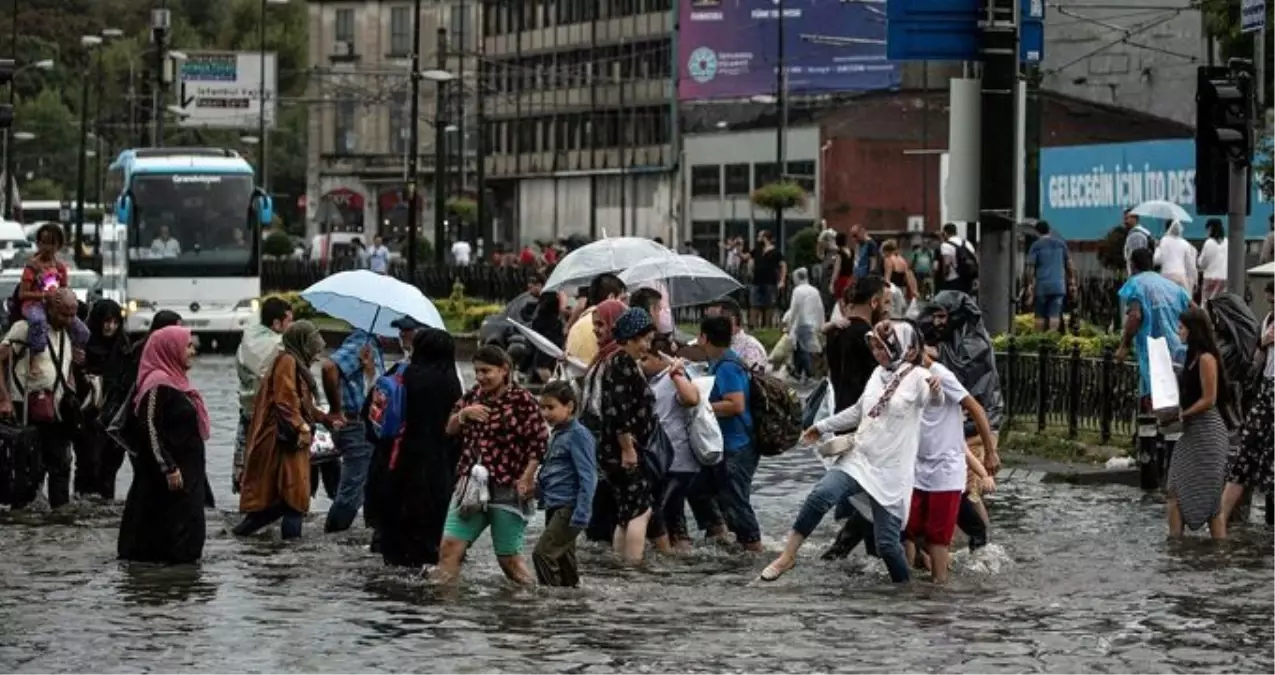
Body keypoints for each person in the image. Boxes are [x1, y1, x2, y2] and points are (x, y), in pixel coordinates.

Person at [761, 320, 942, 583]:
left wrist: (936, 390)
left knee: (888, 545)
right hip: (861, 456)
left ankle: (906, 595)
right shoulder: (877, 375)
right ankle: (787, 556)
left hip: (891, 470)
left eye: (884, 347)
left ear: (908, 350)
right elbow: (860, 411)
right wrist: (821, 426)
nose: (878, 353)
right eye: (875, 347)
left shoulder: (918, 378)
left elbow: (933, 401)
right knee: (821, 495)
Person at [437, 346, 547, 584]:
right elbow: (449, 428)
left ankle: (534, 603)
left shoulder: (523, 401)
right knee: (449, 548)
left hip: (508, 487)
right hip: (471, 485)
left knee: (508, 560)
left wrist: (528, 478)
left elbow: (539, 443)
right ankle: (445, 614)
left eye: (486, 371)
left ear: (504, 370)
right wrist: (464, 415)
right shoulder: (472, 396)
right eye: (477, 371)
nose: (480, 377)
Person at [364, 328, 463, 568]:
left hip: (395, 459)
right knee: (429, 530)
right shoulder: (451, 383)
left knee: (395, 530)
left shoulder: (402, 374)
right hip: (435, 464)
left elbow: (370, 412)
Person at [117, 326, 209, 564]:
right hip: (168, 479)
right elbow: (149, 428)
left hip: (185, 477)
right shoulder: (157, 384)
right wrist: (167, 465)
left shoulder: (177, 382)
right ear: (169, 349)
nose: (192, 352)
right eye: (187, 346)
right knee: (167, 540)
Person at [905, 346, 998, 583]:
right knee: (908, 527)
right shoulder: (905, 375)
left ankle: (941, 584)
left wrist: (990, 454)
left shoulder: (942, 376)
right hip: (918, 469)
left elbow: (975, 411)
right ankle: (917, 574)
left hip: (946, 473)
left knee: (944, 532)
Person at [235, 321, 327, 539]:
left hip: (286, 440)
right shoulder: (287, 362)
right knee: (294, 500)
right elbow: (285, 402)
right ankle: (290, 557)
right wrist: (302, 427)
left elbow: (301, 402)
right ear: (302, 344)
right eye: (312, 348)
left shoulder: (296, 364)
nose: (316, 355)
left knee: (279, 501)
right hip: (285, 441)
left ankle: (242, 538)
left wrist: (324, 418)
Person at [581, 308, 658, 563]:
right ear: (631, 337)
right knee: (640, 511)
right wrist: (628, 448)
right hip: (624, 448)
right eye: (644, 340)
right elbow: (618, 410)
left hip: (613, 448)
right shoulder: (622, 363)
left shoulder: (613, 360)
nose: (647, 346)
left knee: (626, 513)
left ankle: (621, 561)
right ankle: (633, 565)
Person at [0, 289, 84, 510]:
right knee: (28, 471)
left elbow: (64, 368)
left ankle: (60, 518)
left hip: (56, 412)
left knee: (61, 466)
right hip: (26, 410)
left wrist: (71, 383)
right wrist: (4, 399)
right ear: (50, 309)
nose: (68, 320)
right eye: (63, 315)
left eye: (72, 315)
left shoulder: (67, 333)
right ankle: (23, 519)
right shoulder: (25, 329)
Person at [1116, 248, 1192, 490]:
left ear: (1132, 265)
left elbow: (1135, 315)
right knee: (1172, 410)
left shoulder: (1136, 284)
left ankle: (1154, 468)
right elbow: (1194, 310)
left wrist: (1124, 345)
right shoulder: (1172, 287)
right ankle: (1172, 466)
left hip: (1153, 353)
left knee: (1151, 408)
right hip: (1178, 353)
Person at [639, 336, 713, 552]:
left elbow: (692, 399)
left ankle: (673, 555)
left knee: (660, 510)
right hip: (665, 460)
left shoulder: (674, 375)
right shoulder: (654, 379)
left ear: (661, 358)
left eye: (645, 359)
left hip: (677, 459)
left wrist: (676, 373)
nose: (641, 364)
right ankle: (679, 552)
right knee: (673, 514)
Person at [1164, 307, 1230, 539]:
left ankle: (1218, 552)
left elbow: (1209, 399)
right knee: (1174, 488)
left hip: (1208, 433)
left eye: (1181, 327)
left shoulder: (1206, 359)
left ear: (1193, 330)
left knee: (1212, 501)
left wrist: (1184, 414)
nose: (1178, 331)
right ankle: (1176, 543)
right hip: (1193, 431)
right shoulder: (1191, 358)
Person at [702, 314, 764, 552]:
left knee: (736, 500)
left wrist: (703, 407)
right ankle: (726, 536)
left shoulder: (727, 366)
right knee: (708, 492)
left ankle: (753, 548)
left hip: (738, 445)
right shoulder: (723, 361)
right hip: (729, 444)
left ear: (704, 337)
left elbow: (735, 404)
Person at [1220, 280, 1275, 525]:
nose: (1271, 305)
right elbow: (1257, 360)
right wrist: (1263, 342)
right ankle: (1220, 520)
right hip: (1266, 390)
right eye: (1270, 301)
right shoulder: (1267, 322)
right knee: (1246, 454)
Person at [533, 381, 597, 586]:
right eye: (542, 408)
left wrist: (582, 512)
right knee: (563, 561)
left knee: (542, 554)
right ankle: (570, 605)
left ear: (569, 406)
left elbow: (588, 476)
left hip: (569, 507)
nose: (545, 413)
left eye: (550, 407)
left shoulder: (578, 434)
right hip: (554, 505)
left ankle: (550, 600)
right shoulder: (558, 434)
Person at [322, 329, 385, 533]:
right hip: (355, 425)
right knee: (353, 490)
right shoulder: (363, 342)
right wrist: (335, 409)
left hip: (362, 425)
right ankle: (331, 538)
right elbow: (329, 367)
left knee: (363, 486)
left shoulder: (371, 345)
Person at [233, 297, 293, 494]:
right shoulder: (279, 346)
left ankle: (248, 501)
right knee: (271, 466)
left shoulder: (245, 342)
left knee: (249, 463)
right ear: (276, 323)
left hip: (247, 409)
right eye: (289, 322)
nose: (290, 326)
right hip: (270, 415)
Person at [17, 224, 90, 376]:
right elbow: (23, 294)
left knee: (82, 331)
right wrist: (44, 296)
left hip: (54, 307)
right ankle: (34, 359)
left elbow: (64, 289)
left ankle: (72, 360)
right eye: (43, 242)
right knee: (38, 321)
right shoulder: (32, 267)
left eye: (51, 243)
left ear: (58, 245)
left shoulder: (60, 267)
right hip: (34, 305)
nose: (47, 247)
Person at [81, 299, 133, 499]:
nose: (110, 326)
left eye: (114, 322)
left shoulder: (124, 348)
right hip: (88, 419)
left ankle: (104, 509)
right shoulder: (83, 347)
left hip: (114, 420)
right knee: (89, 464)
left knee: (110, 468)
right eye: (105, 321)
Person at [825, 276, 890, 413]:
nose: (887, 310)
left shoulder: (834, 331)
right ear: (874, 302)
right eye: (886, 302)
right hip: (864, 417)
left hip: (840, 413)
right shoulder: (869, 337)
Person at [1024, 221, 1075, 331]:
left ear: (1036, 232)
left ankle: (1039, 339)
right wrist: (1071, 281)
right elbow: (1069, 264)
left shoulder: (1036, 246)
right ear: (1049, 230)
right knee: (1054, 314)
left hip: (1042, 285)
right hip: (1058, 285)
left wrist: (1029, 285)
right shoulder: (1061, 244)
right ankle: (1051, 338)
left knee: (1040, 315)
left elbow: (1030, 267)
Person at [565, 272, 625, 365]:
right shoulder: (604, 326)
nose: (624, 305)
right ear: (611, 297)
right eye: (622, 299)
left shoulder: (581, 322)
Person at [783, 267, 824, 381]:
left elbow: (794, 308)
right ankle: (798, 372)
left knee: (802, 349)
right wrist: (821, 324)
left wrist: (790, 325)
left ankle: (809, 373)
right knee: (801, 349)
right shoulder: (815, 291)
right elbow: (820, 308)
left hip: (801, 323)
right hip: (813, 323)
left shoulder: (797, 291)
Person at [706, 298, 768, 371]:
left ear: (732, 320)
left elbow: (751, 378)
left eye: (712, 320)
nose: (707, 325)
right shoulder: (708, 342)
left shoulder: (751, 347)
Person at [749, 230, 786, 328]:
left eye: (759, 236)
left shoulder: (775, 252)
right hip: (756, 281)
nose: (757, 238)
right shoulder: (757, 250)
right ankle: (755, 327)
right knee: (754, 305)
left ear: (765, 237)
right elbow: (747, 257)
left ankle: (767, 327)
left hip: (770, 282)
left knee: (769, 306)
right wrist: (737, 251)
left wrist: (782, 280)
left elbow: (783, 265)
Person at [530, 290, 566, 383]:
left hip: (543, 347)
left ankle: (551, 385)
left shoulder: (539, 320)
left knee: (542, 367)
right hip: (555, 346)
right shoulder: (557, 321)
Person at [1153, 221, 1197, 296]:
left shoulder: (1164, 241)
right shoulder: (1185, 243)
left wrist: (1157, 248)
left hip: (1166, 275)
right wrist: (1194, 280)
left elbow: (1157, 260)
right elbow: (1190, 265)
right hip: (1181, 277)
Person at [937, 223, 976, 295]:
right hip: (967, 279)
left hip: (953, 280)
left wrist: (943, 278)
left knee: (952, 303)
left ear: (945, 233)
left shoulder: (945, 245)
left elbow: (946, 264)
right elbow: (974, 258)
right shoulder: (967, 243)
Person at [1198, 218, 1228, 301]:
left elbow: (1202, 263)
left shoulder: (1209, 242)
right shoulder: (1227, 242)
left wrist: (1199, 261)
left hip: (1210, 278)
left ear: (1211, 229)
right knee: (1220, 303)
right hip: (1224, 278)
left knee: (1206, 303)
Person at [881, 239, 917, 305]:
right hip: (902, 291)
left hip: (892, 290)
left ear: (887, 250)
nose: (883, 254)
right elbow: (908, 278)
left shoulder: (888, 259)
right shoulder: (902, 260)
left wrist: (885, 294)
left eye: (883, 252)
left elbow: (887, 278)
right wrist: (913, 292)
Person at [1122, 210, 1155, 276]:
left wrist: (1134, 275)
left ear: (1135, 219)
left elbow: (1139, 259)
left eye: (1126, 219)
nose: (1124, 222)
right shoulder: (1143, 233)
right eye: (1124, 219)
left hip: (1138, 275)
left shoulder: (1136, 235)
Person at [828, 232, 856, 302]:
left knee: (841, 300)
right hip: (850, 279)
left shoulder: (839, 253)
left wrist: (831, 283)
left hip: (842, 280)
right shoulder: (852, 251)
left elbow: (837, 269)